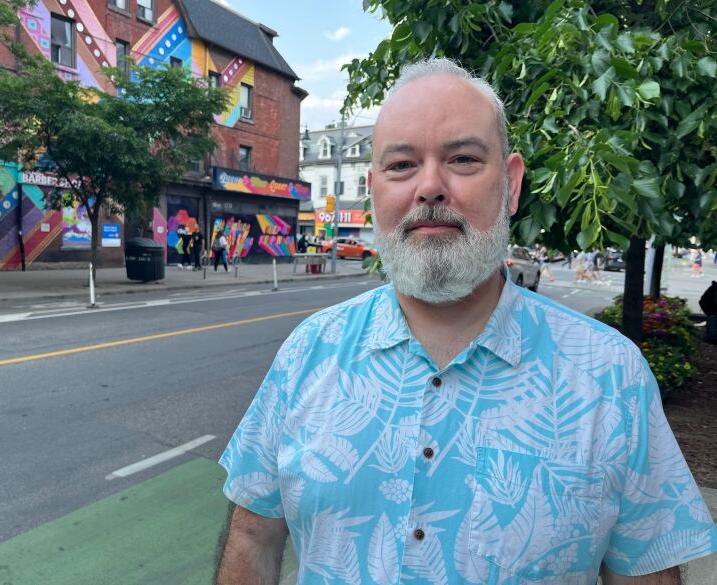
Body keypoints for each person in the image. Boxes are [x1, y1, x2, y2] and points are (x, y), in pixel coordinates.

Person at [216, 58, 717, 585]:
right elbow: (253, 538)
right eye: (402, 165)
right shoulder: (307, 353)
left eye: (461, 158)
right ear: (374, 188)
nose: (429, 187)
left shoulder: (611, 376)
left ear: (511, 183)